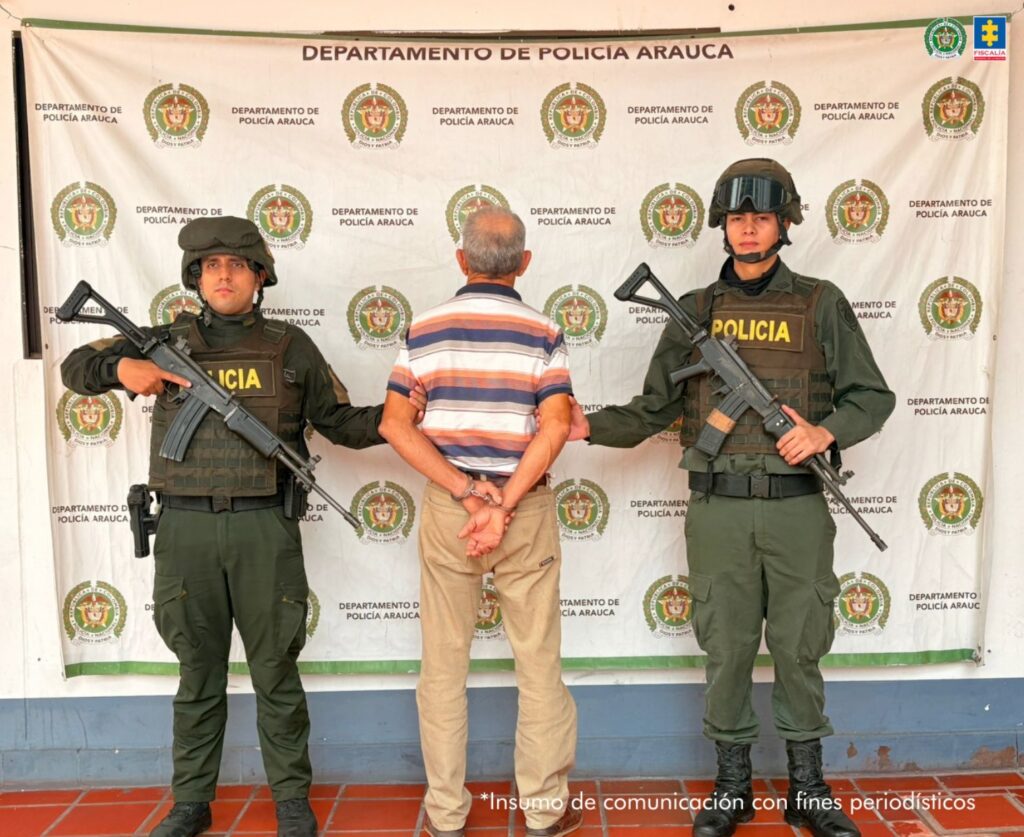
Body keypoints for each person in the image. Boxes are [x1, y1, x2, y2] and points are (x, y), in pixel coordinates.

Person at [568, 159, 895, 837]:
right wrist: (586, 426)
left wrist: (823, 431)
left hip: (797, 505)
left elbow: (872, 395)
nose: (749, 229)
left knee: (800, 646)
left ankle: (808, 789)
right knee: (727, 647)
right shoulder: (694, 311)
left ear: (784, 224)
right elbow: (653, 408)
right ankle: (733, 787)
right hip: (718, 508)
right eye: (738, 218)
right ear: (722, 225)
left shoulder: (820, 302)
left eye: (762, 217)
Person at [60, 217, 385, 837]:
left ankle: (291, 801)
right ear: (195, 276)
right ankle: (191, 802)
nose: (224, 275)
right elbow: (76, 366)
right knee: (197, 674)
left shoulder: (291, 347)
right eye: (211, 266)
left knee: (276, 674)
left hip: (265, 528)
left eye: (237, 265)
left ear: (260, 276)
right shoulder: (162, 341)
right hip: (185, 529)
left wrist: (398, 417)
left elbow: (339, 421)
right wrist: (122, 371)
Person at [379, 206, 581, 837]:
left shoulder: (423, 329)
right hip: (525, 509)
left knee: (442, 667)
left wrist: (470, 495)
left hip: (451, 511)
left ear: (461, 259)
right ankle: (544, 811)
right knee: (539, 664)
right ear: (524, 263)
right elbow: (556, 427)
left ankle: (445, 815)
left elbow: (394, 426)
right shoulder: (544, 331)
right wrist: (504, 504)